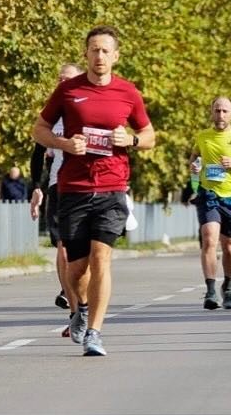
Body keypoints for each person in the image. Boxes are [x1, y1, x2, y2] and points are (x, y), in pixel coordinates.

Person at [33, 26, 155, 358]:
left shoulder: (128, 93)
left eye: (105, 50)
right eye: (93, 50)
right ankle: (81, 308)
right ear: (85, 54)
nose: (99, 56)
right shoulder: (69, 91)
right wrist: (63, 143)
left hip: (112, 188)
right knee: (76, 269)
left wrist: (128, 140)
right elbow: (39, 129)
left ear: (115, 56)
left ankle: (95, 332)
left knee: (102, 259)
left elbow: (149, 136)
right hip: (73, 188)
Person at [29, 62, 82, 317]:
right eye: (60, 79)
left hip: (86, 187)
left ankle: (81, 301)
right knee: (62, 248)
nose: (62, 83)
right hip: (57, 186)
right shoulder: (51, 114)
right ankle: (73, 310)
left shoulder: (88, 110)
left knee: (82, 252)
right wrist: (36, 188)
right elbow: (37, 153)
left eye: (68, 79)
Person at [189, 96, 231, 310]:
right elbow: (195, 159)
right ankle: (211, 290)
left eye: (224, 111)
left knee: (229, 245)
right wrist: (195, 167)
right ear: (211, 112)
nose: (220, 115)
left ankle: (228, 286)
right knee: (209, 239)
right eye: (217, 110)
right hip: (209, 195)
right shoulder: (202, 136)